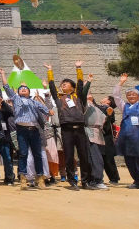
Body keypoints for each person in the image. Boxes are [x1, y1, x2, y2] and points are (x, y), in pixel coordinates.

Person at [0, 68, 49, 190]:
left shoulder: (33, 102)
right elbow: (6, 87)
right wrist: (3, 75)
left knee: (37, 154)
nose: (23, 89)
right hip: (21, 130)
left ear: (29, 92)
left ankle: (40, 179)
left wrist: (50, 111)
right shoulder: (16, 99)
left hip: (34, 129)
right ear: (19, 92)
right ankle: (23, 179)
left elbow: (44, 109)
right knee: (23, 154)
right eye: (21, 89)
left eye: (25, 88)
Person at [44, 62, 91, 191]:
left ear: (72, 87)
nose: (63, 84)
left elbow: (80, 83)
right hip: (66, 129)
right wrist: (50, 71)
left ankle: (85, 181)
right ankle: (72, 181)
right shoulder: (59, 99)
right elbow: (52, 87)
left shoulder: (78, 97)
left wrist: (78, 68)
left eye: (66, 83)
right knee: (69, 156)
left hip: (80, 128)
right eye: (62, 84)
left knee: (84, 155)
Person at [84, 74, 111, 190]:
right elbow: (83, 93)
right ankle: (96, 180)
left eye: (91, 94)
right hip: (89, 132)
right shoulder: (83, 105)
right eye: (88, 94)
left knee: (97, 157)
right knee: (95, 158)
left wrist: (109, 115)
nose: (90, 95)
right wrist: (88, 83)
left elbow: (104, 121)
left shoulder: (95, 106)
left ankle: (93, 180)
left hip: (98, 133)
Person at [100, 94, 121, 184]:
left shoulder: (109, 109)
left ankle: (114, 178)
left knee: (108, 158)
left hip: (106, 136)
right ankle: (113, 177)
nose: (103, 98)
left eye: (105, 97)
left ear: (108, 101)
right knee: (104, 158)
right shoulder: (102, 108)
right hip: (102, 136)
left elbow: (109, 122)